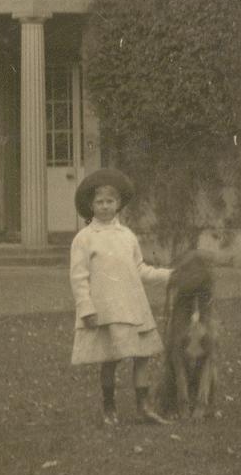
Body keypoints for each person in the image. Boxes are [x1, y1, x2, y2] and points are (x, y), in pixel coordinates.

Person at [69, 168, 173, 425]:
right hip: (106, 309)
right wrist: (86, 308)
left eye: (110, 202)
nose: (105, 207)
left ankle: (143, 406)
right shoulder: (84, 239)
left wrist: (171, 275)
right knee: (110, 358)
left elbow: (139, 269)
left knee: (142, 356)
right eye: (99, 202)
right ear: (91, 205)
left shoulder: (127, 236)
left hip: (133, 306)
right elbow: (78, 277)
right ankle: (109, 408)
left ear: (119, 205)